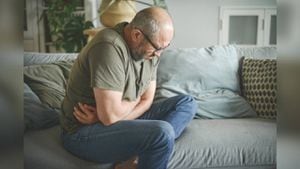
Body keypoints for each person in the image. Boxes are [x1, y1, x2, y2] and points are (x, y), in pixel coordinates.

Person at [60, 7, 197, 169]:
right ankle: (150, 146)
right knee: (162, 132)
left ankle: (139, 156)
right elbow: (111, 116)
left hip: (106, 121)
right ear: (136, 34)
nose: (159, 54)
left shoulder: (150, 51)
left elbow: (147, 100)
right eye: (157, 48)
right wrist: (134, 102)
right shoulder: (108, 46)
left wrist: (107, 117)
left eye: (164, 48)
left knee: (187, 102)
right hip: (83, 132)